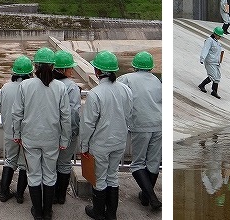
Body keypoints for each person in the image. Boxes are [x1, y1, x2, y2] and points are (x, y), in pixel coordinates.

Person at [11, 47, 70, 220]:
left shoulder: (25, 85)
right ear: (53, 66)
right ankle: (48, 211)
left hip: (30, 138)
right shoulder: (60, 87)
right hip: (52, 138)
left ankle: (37, 211)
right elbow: (65, 116)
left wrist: (17, 133)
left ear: (35, 66)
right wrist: (64, 139)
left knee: (34, 174)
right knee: (50, 174)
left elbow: (17, 113)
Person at [82, 50, 133, 220]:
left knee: (100, 179)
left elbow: (88, 124)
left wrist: (84, 146)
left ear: (97, 72)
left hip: (101, 143)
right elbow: (128, 113)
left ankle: (98, 213)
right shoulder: (126, 90)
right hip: (119, 141)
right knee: (113, 176)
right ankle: (111, 214)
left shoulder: (96, 93)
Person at [118, 51, 162, 211]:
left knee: (137, 164)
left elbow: (116, 92)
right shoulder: (156, 80)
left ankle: (152, 198)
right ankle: (145, 197)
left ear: (134, 65)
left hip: (140, 125)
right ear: (150, 66)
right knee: (153, 162)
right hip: (159, 124)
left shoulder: (127, 78)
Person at [0, 56, 32, 204]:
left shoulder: (5, 87)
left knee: (10, 160)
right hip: (26, 132)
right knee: (24, 163)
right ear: (29, 73)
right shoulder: (30, 89)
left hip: (9, 131)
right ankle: (19, 195)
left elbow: (1, 108)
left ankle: (4, 193)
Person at [52, 50, 81, 204]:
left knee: (50, 163)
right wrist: (74, 132)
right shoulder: (71, 87)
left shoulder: (49, 83)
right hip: (67, 133)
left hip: (50, 132)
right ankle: (60, 196)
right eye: (70, 68)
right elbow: (74, 113)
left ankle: (49, 195)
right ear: (63, 70)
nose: (72, 70)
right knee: (64, 164)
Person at [198, 27, 225, 99]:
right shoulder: (209, 41)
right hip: (210, 61)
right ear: (215, 34)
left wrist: (219, 61)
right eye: (219, 36)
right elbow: (205, 49)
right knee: (212, 76)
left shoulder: (217, 43)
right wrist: (202, 58)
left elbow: (219, 53)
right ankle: (202, 85)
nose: (220, 37)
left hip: (216, 62)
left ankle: (214, 91)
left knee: (217, 77)